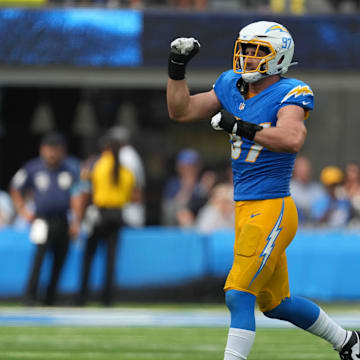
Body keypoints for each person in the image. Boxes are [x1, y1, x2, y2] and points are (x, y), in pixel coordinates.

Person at [166, 21, 359, 360]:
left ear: (279, 57)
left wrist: (238, 126)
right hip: (244, 208)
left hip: (271, 206)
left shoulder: (291, 92)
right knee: (276, 304)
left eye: (258, 51)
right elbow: (180, 110)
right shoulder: (230, 84)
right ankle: (349, 343)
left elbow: (291, 139)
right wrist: (177, 69)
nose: (249, 57)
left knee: (238, 294)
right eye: (246, 49)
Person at [10, 132, 81, 306]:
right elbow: (15, 187)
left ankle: (51, 296)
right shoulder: (32, 168)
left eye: (56, 149)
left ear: (62, 151)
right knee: (39, 259)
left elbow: (77, 194)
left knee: (60, 258)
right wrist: (23, 211)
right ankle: (30, 296)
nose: (52, 154)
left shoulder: (70, 169)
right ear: (42, 150)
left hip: (63, 219)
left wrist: (76, 220)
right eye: (49, 149)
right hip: (41, 220)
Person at [76, 129, 136, 306]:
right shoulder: (126, 171)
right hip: (117, 215)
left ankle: (82, 297)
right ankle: (107, 298)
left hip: (99, 213)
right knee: (111, 259)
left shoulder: (96, 165)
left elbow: (85, 190)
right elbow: (131, 196)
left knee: (89, 257)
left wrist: (81, 215)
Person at [290, 155, 326, 226]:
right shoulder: (288, 189)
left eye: (306, 167)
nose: (304, 170)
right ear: (295, 169)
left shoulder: (317, 189)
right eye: (301, 167)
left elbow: (321, 212)